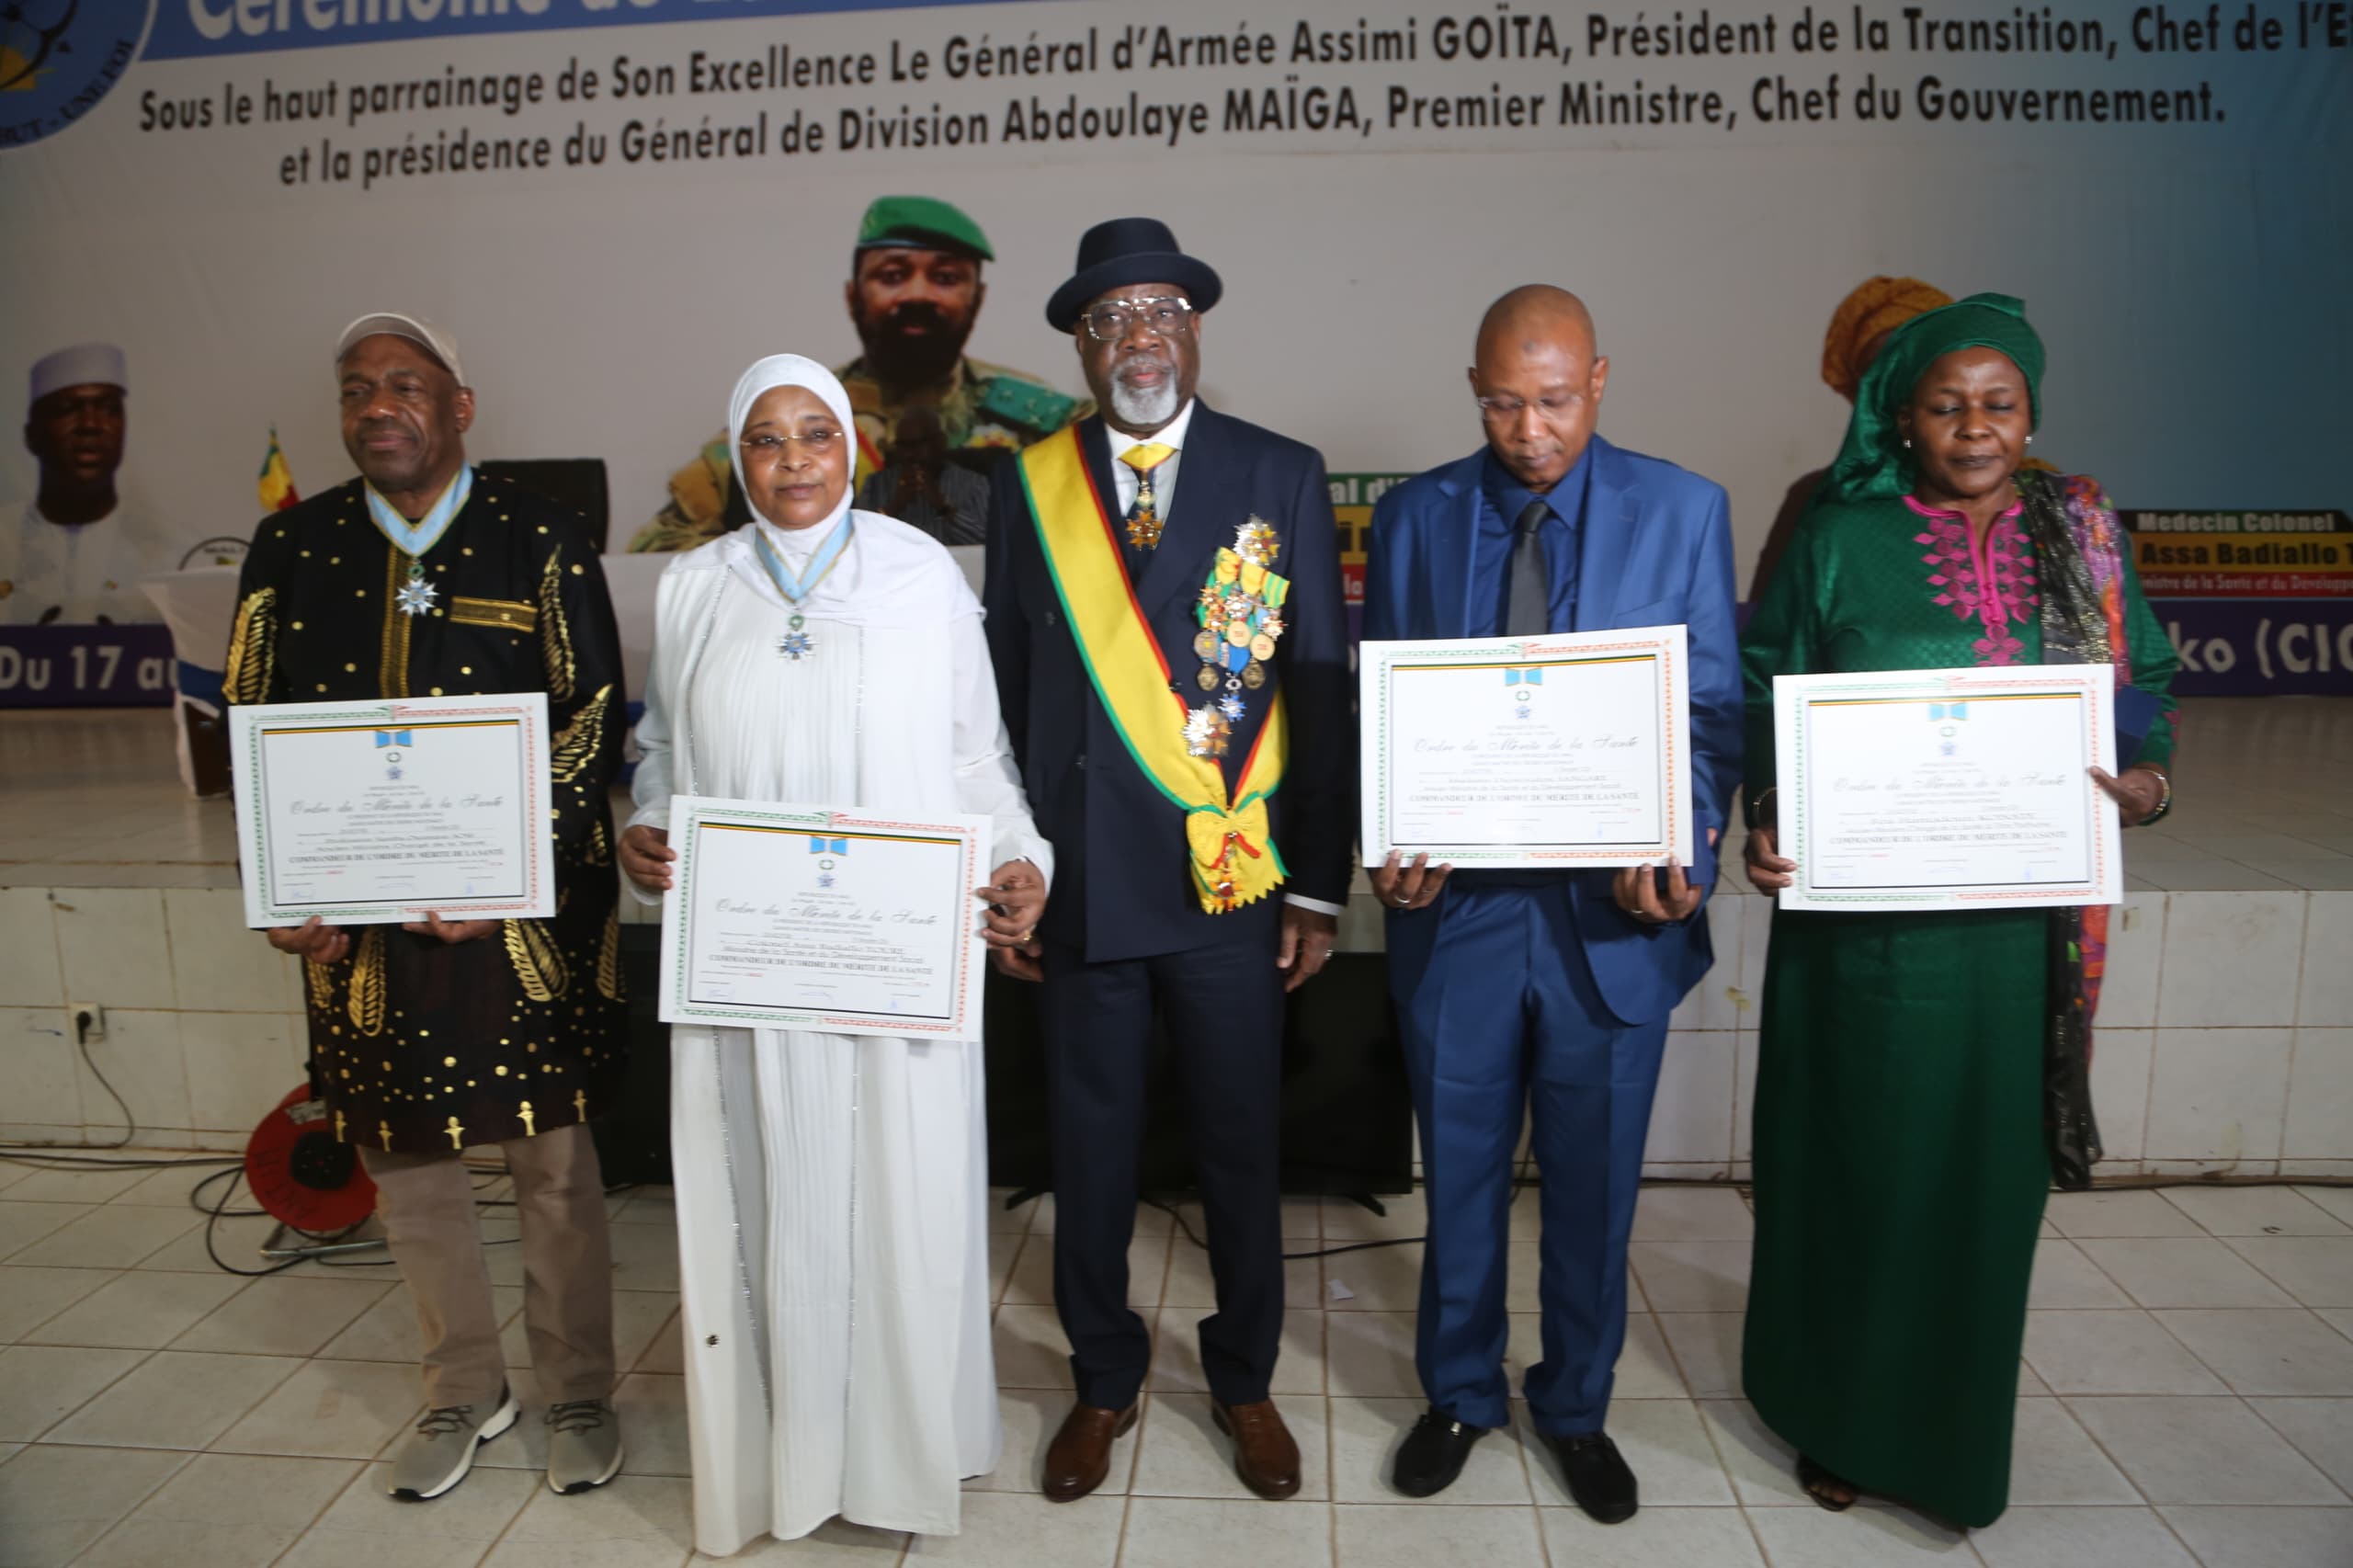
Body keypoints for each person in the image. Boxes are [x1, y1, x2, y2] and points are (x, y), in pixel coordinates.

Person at [1739, 293, 2178, 1528]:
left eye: (1999, 403)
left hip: (2013, 942)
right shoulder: (1839, 534)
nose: (1974, 427)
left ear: (2030, 413)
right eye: (1946, 404)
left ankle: (1952, 1435)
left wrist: (2147, 776)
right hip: (1863, 940)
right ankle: (1838, 1415)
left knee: (1984, 1191)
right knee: (1860, 1170)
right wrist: (1768, 808)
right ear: (1903, 415)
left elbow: (2143, 678)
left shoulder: (2082, 536)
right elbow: (1767, 681)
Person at [619, 355, 1051, 1550]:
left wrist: (1024, 860)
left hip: (893, 962)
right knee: (770, 1200)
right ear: (737, 459)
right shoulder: (694, 585)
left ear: (851, 448)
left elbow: (974, 758)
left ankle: (907, 1455)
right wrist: (646, 830)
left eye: (816, 431)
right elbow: (663, 756)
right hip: (752, 969)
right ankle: (785, 1461)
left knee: (903, 1199)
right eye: (766, 437)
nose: (794, 457)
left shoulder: (919, 573)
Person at [224, 312, 629, 1501]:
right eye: (356, 388)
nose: (378, 406)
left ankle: (580, 1387)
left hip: (519, 925)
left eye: (405, 384)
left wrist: (510, 871)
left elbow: (590, 718)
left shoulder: (537, 536)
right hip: (362, 935)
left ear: (460, 406)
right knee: (405, 1166)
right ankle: (464, 1385)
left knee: (553, 1165)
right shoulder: (291, 547)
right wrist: (284, 886)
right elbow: (254, 720)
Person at [983, 217, 1353, 1504]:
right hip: (1082, 884)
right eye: (1110, 320)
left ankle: (1243, 1375)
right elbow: (1002, 693)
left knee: (1242, 1147)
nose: (1138, 339)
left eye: (1159, 313)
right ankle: (1102, 1375)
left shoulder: (1279, 471)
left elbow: (1318, 688)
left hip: (1225, 882)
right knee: (1088, 1154)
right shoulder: (1030, 484)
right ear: (1082, 348)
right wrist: (1013, 868)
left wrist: (1317, 884)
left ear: (1195, 330)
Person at [1359, 286, 1742, 1519]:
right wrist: (1386, 839)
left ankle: (1574, 1405)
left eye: (1557, 400)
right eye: (1502, 403)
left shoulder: (1682, 510)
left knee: (1595, 1185)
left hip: (1611, 919)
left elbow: (1710, 711)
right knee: (1458, 1175)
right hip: (1458, 914)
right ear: (1471, 390)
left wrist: (1682, 841)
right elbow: (1385, 708)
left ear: (1601, 379)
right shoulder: (1413, 516)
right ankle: (1460, 1391)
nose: (1530, 430)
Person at [627, 197, 1088, 552]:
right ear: (853, 296)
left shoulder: (1040, 424)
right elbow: (656, 554)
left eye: (946, 278)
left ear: (978, 298)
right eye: (892, 275)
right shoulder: (788, 420)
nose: (918, 294)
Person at [1748, 278, 1952, 599]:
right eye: (1875, 374)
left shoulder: (2026, 495)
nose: (1893, 389)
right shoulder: (1816, 497)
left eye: (1911, 366)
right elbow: (1766, 620)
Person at [3, 343, 171, 623]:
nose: (90, 424)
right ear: (31, 436)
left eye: (108, 409)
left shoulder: (172, 550)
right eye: (67, 409)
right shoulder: (4, 539)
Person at [853, 402, 992, 545]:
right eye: (902, 446)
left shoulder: (975, 484)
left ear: (940, 442)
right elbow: (858, 540)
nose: (908, 454)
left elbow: (987, 542)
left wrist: (943, 507)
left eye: (916, 445)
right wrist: (894, 506)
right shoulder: (875, 485)